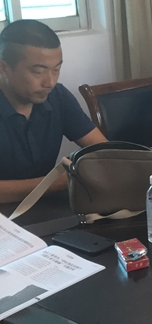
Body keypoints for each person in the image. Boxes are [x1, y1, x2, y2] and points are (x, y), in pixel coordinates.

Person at [0, 20, 106, 204]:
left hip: (48, 208)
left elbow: (104, 151)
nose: (50, 82)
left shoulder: (58, 96)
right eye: (38, 72)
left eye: (56, 69)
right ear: (4, 68)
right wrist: (58, 182)